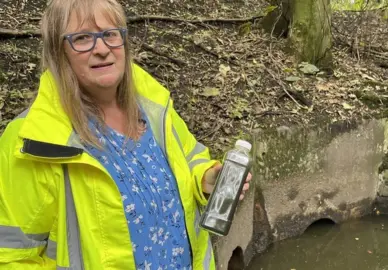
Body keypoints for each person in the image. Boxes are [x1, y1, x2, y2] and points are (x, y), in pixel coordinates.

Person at [0, 0, 251, 269]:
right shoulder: (34, 140)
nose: (101, 49)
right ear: (58, 52)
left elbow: (190, 158)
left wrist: (204, 178)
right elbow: (11, 258)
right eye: (82, 38)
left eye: (110, 34)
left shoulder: (154, 107)